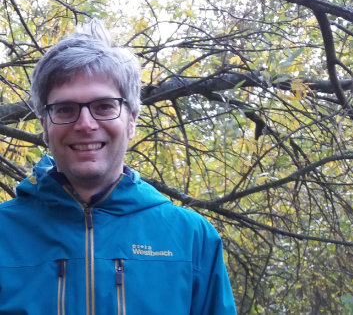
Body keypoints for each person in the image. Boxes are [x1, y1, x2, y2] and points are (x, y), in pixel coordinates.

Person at [0, 21, 237, 314]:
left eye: (104, 106)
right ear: (45, 126)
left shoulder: (192, 240)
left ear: (132, 120)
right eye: (65, 109)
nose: (85, 124)